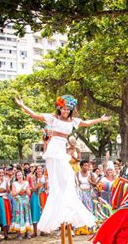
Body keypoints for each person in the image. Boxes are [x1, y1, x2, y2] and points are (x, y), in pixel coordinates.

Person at [15, 94, 110, 232]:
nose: (65, 111)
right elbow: (35, 115)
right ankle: (59, 198)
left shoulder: (73, 121)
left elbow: (87, 123)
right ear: (59, 108)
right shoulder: (53, 118)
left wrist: (101, 119)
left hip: (62, 148)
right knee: (57, 178)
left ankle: (66, 201)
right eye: (63, 109)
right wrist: (23, 105)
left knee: (68, 175)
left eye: (67, 109)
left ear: (70, 110)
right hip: (54, 148)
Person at [10, 170, 32, 239]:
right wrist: (19, 191)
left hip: (25, 201)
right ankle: (19, 234)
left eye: (20, 175)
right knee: (18, 216)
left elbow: (29, 193)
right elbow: (13, 194)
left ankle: (27, 232)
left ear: (22, 175)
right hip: (18, 201)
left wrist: (25, 190)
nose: (19, 176)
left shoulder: (26, 182)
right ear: (16, 177)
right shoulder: (14, 183)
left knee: (26, 216)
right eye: (18, 175)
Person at [30, 165, 47, 237]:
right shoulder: (33, 178)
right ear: (36, 170)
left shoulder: (45, 177)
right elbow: (33, 189)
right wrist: (38, 185)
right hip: (35, 196)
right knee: (35, 212)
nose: (39, 170)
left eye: (41, 169)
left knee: (43, 212)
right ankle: (35, 231)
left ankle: (43, 230)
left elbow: (46, 187)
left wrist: (43, 185)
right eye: (38, 169)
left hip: (43, 195)